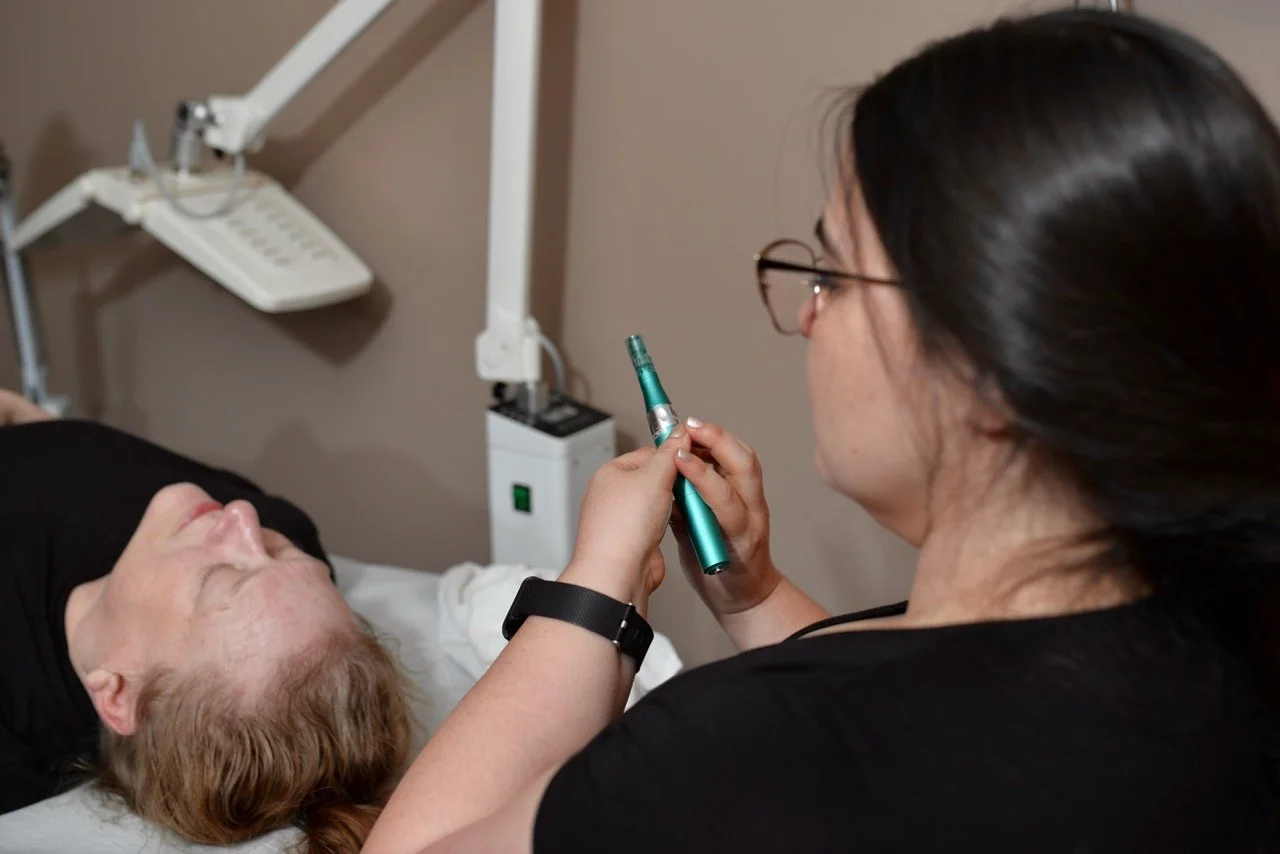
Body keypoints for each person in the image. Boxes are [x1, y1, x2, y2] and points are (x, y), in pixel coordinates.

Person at [361, 9, 1280, 854]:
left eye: (833, 276)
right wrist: (753, 596)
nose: (807, 315)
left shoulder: (725, 754)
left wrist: (596, 588)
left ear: (995, 369)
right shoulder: (1217, 640)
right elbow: (923, 688)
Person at [0, 390, 412, 853]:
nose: (243, 516)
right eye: (280, 554)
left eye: (222, 577)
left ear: (118, 693)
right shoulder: (287, 534)